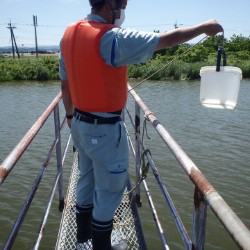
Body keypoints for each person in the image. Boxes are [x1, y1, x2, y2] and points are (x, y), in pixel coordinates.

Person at [59, 0, 223, 249]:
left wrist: (70, 116)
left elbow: (65, 84)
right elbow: (165, 39)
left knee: (86, 180)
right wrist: (203, 27)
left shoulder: (69, 34)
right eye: (123, 3)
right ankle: (101, 244)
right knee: (109, 191)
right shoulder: (111, 39)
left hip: (80, 123)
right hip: (105, 131)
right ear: (110, 5)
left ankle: (83, 240)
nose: (124, 10)